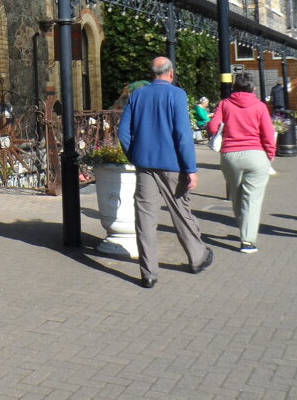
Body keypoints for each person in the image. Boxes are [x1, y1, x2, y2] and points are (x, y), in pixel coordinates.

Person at [118, 56, 213, 288]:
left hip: (145, 166)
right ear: (171, 73)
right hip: (172, 165)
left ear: (153, 73)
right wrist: (191, 168)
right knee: (181, 212)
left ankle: (148, 273)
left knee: (145, 218)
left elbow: (123, 132)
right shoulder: (177, 95)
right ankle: (197, 257)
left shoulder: (138, 95)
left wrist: (135, 155)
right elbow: (182, 135)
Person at [207, 76, 277, 253]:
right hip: (256, 154)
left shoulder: (225, 104)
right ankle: (247, 241)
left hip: (230, 155)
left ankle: (244, 227)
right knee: (252, 200)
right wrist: (269, 155)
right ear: (253, 89)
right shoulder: (260, 106)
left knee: (237, 197)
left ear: (234, 88)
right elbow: (268, 133)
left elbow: (213, 127)